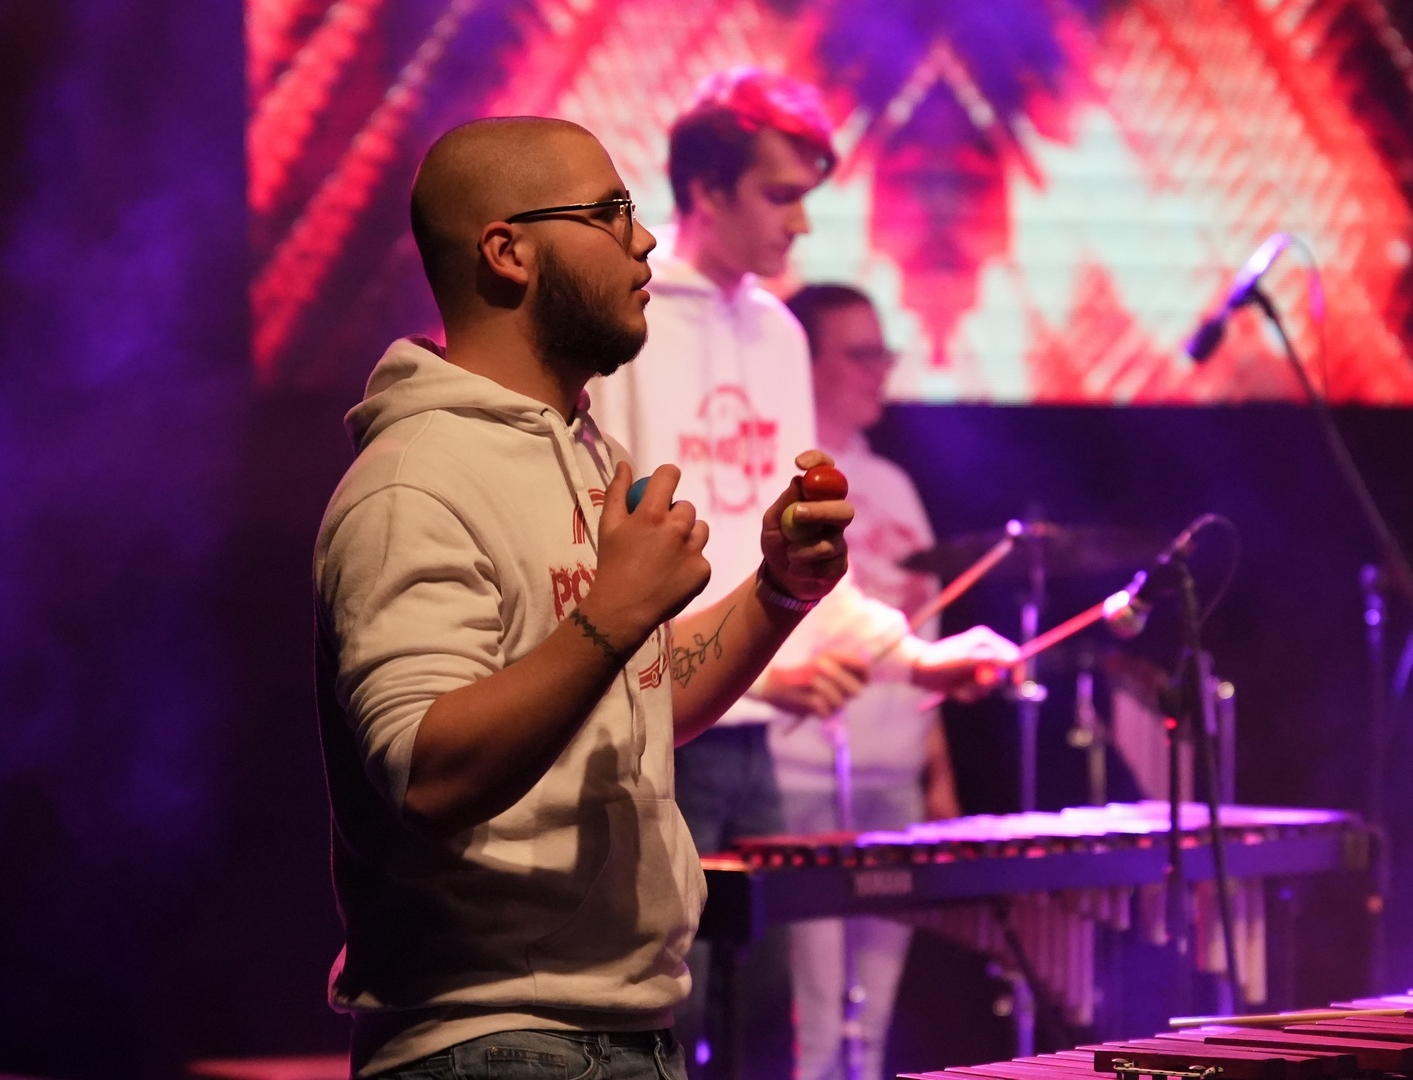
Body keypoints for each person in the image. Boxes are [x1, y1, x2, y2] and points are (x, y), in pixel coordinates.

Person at [313, 115, 857, 1080]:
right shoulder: (414, 482)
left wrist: (777, 591)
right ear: (508, 251)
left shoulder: (586, 453)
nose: (642, 239)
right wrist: (612, 614)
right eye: (609, 213)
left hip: (616, 1029)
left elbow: (636, 699)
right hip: (490, 1042)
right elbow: (428, 773)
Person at [586, 68, 1017, 1076]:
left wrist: (918, 660)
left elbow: (799, 571)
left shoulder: (779, 334)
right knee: (663, 1022)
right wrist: (748, 673)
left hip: (753, 748)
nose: (803, 223)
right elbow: (605, 565)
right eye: (781, 195)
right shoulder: (627, 323)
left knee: (767, 1028)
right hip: (660, 740)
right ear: (707, 190)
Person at [768, 284, 958, 1080]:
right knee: (817, 1027)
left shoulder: (896, 485)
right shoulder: (778, 480)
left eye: (885, 352)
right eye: (861, 354)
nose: (882, 370)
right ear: (803, 364)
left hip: (895, 785)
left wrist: (937, 776)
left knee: (871, 1027)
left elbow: (920, 646)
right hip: (806, 780)